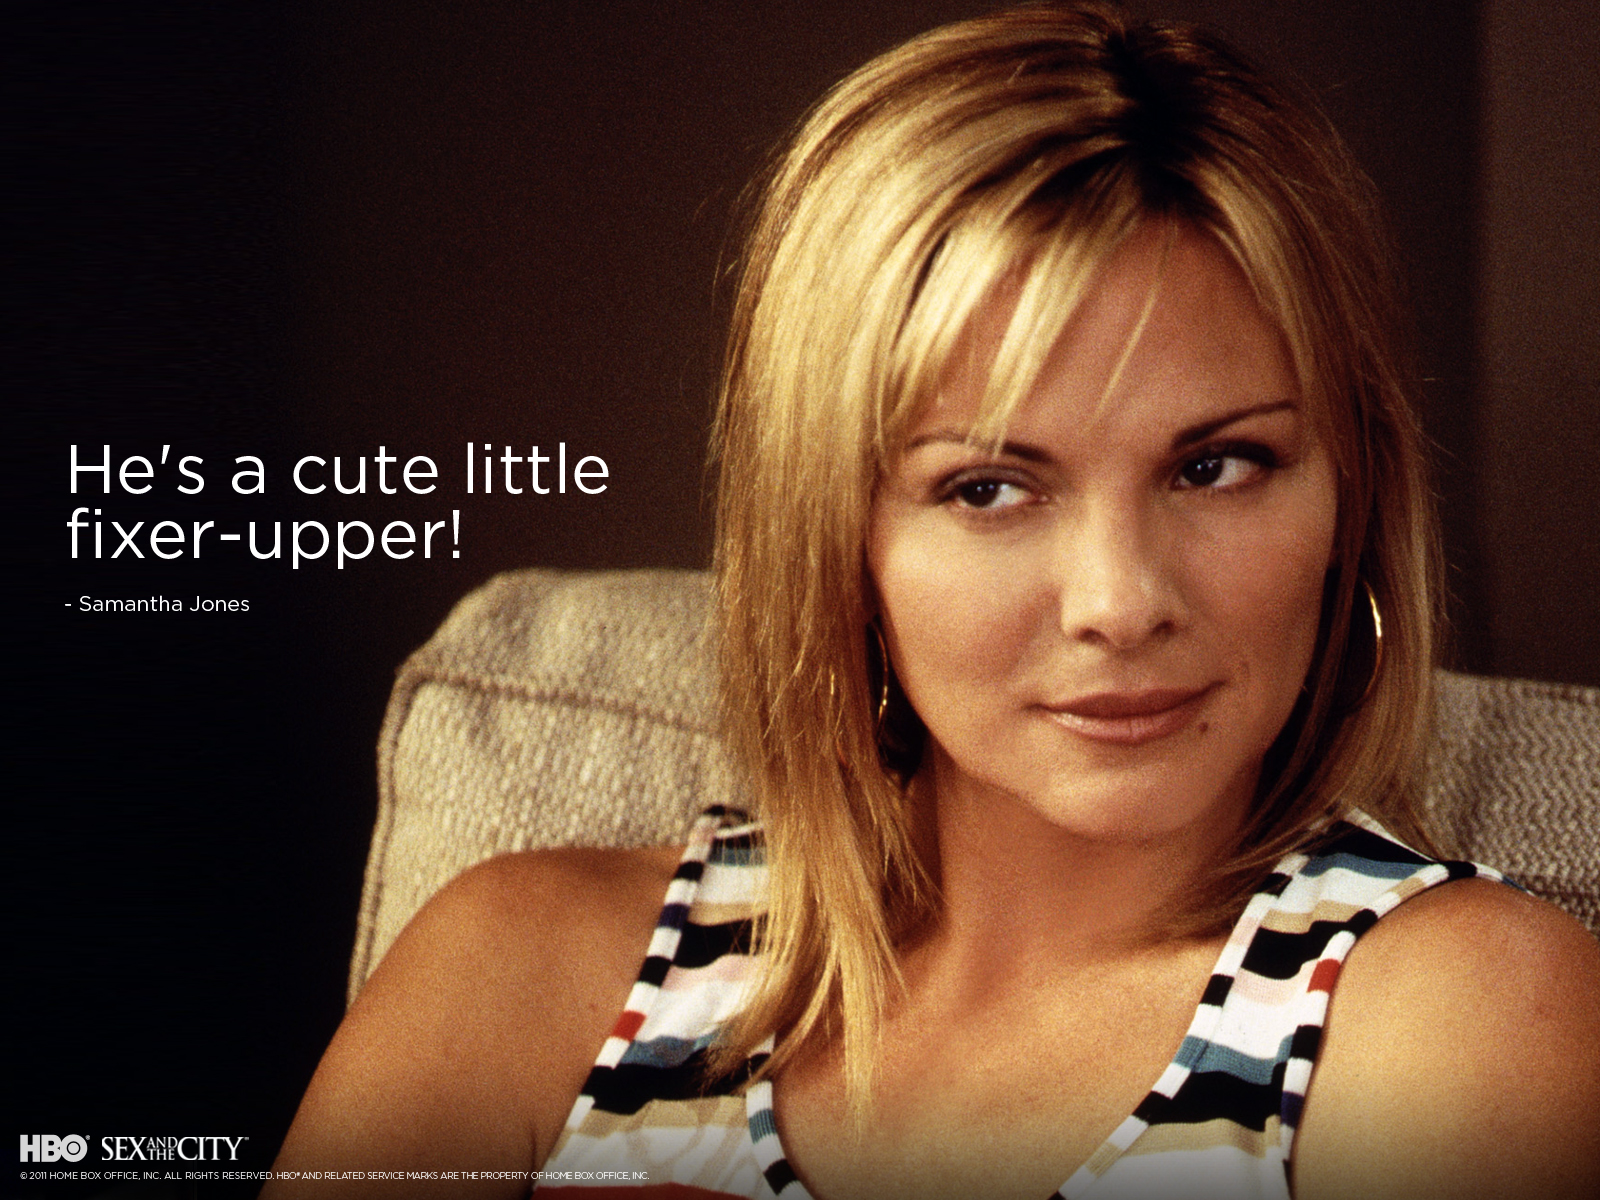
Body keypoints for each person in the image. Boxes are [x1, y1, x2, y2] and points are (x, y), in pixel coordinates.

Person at [266, 3, 1600, 1197]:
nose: (1121, 601)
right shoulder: (521, 965)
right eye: (989, 488)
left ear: (1352, 495)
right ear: (836, 536)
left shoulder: (1462, 1013)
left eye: (1217, 465)